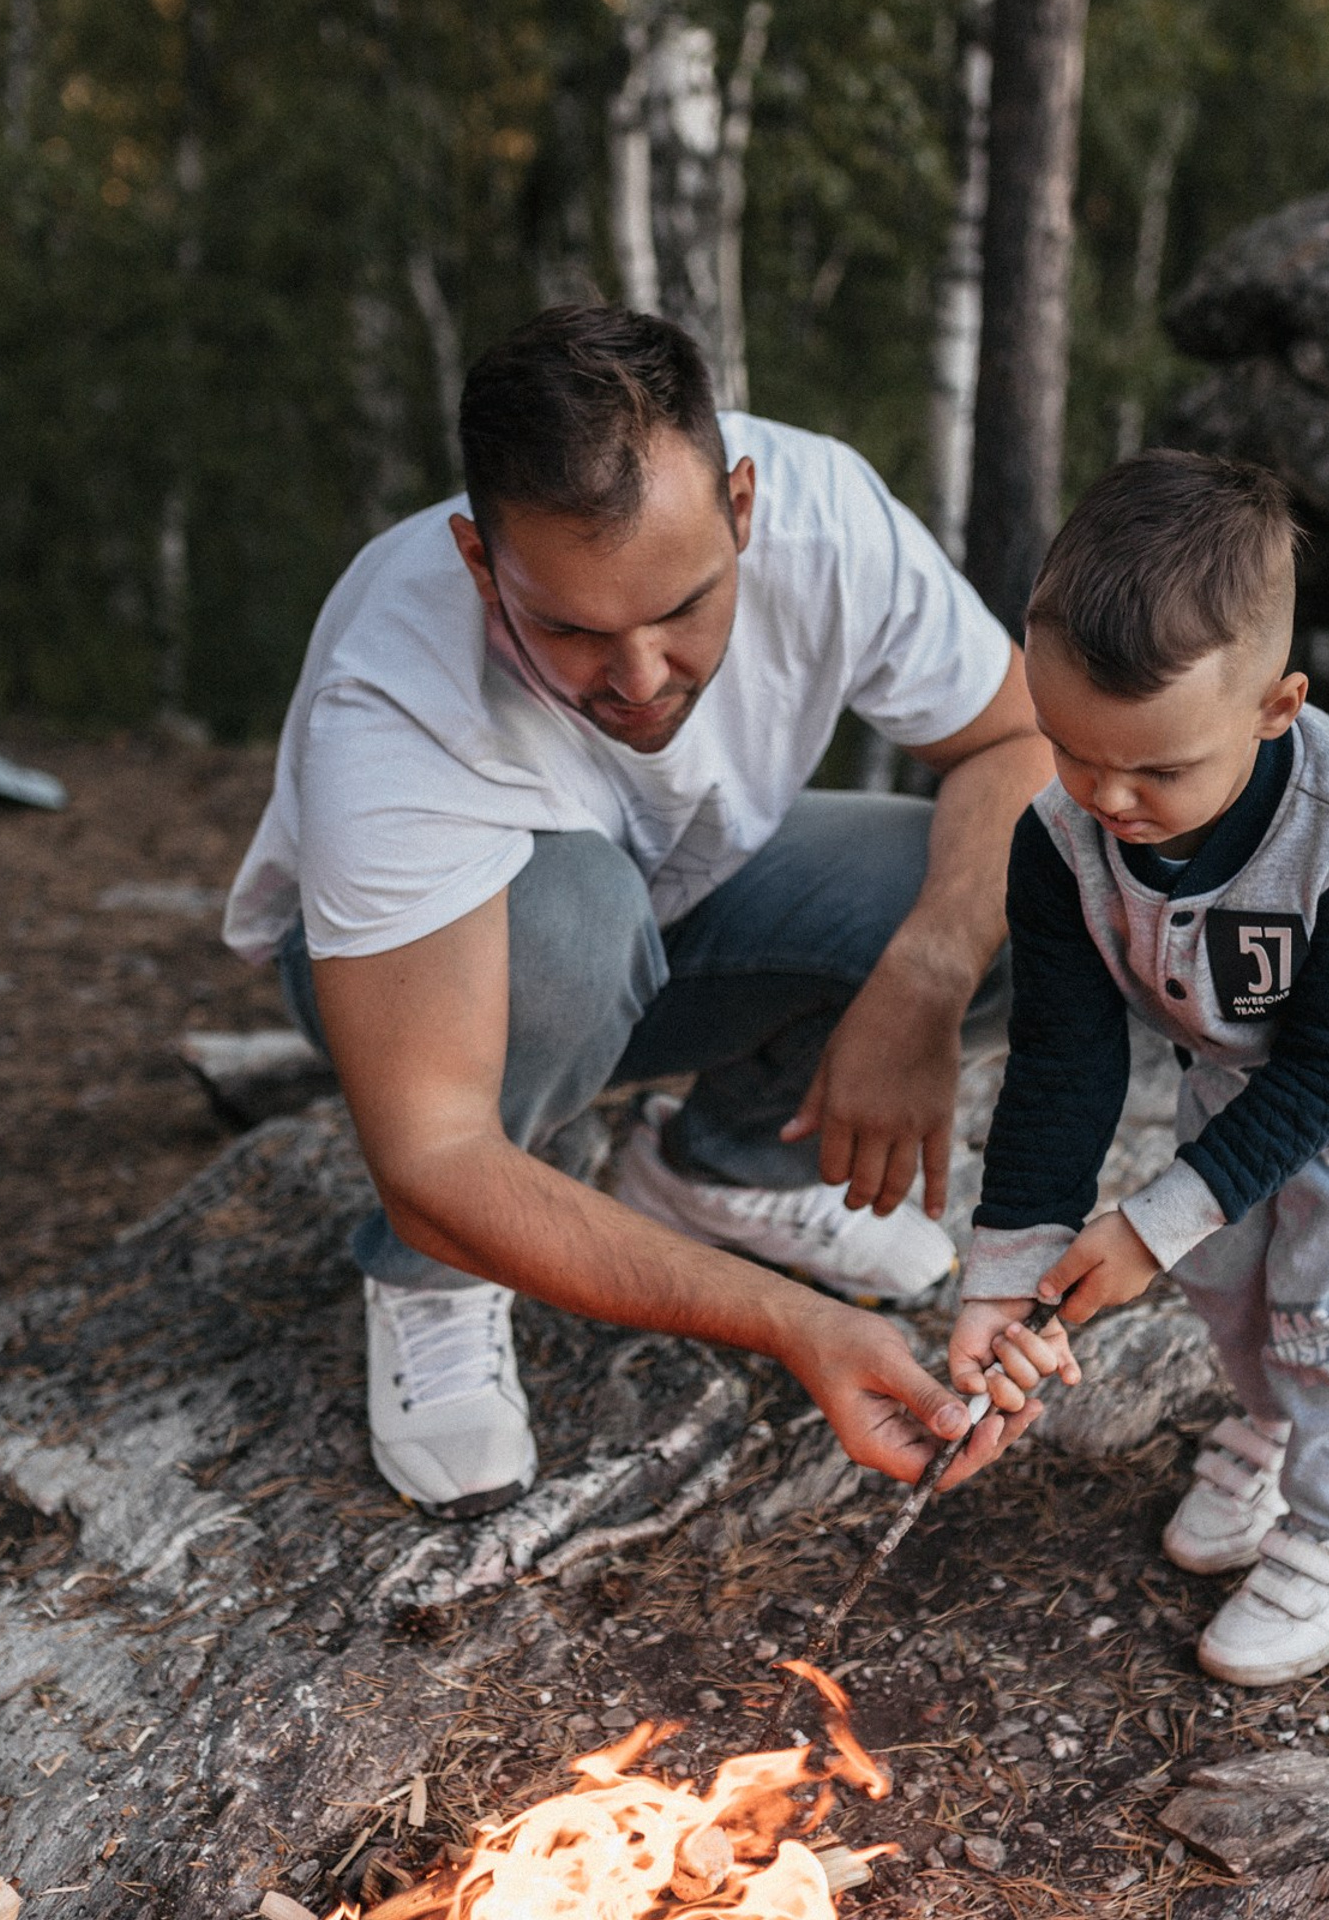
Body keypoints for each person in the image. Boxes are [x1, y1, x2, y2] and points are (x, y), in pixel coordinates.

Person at [224, 304, 1056, 1520]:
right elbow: (433, 1156)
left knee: (1059, 885)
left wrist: (923, 979)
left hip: (689, 901)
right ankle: (433, 1285)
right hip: (425, 977)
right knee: (571, 924)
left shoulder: (831, 519)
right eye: (567, 627)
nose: (641, 677)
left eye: (682, 607)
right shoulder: (392, 692)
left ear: (744, 510)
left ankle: (722, 1167)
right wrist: (794, 1326)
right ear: (476, 561)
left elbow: (1019, 738)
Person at [947, 450, 1329, 1686]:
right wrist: (1010, 1265)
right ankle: (1270, 1430)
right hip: (1240, 1052)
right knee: (1230, 1277)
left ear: (1276, 706)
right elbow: (1063, 1057)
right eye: (1073, 750)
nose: (1110, 797)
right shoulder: (1062, 836)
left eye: (1159, 768)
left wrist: (1150, 1221)